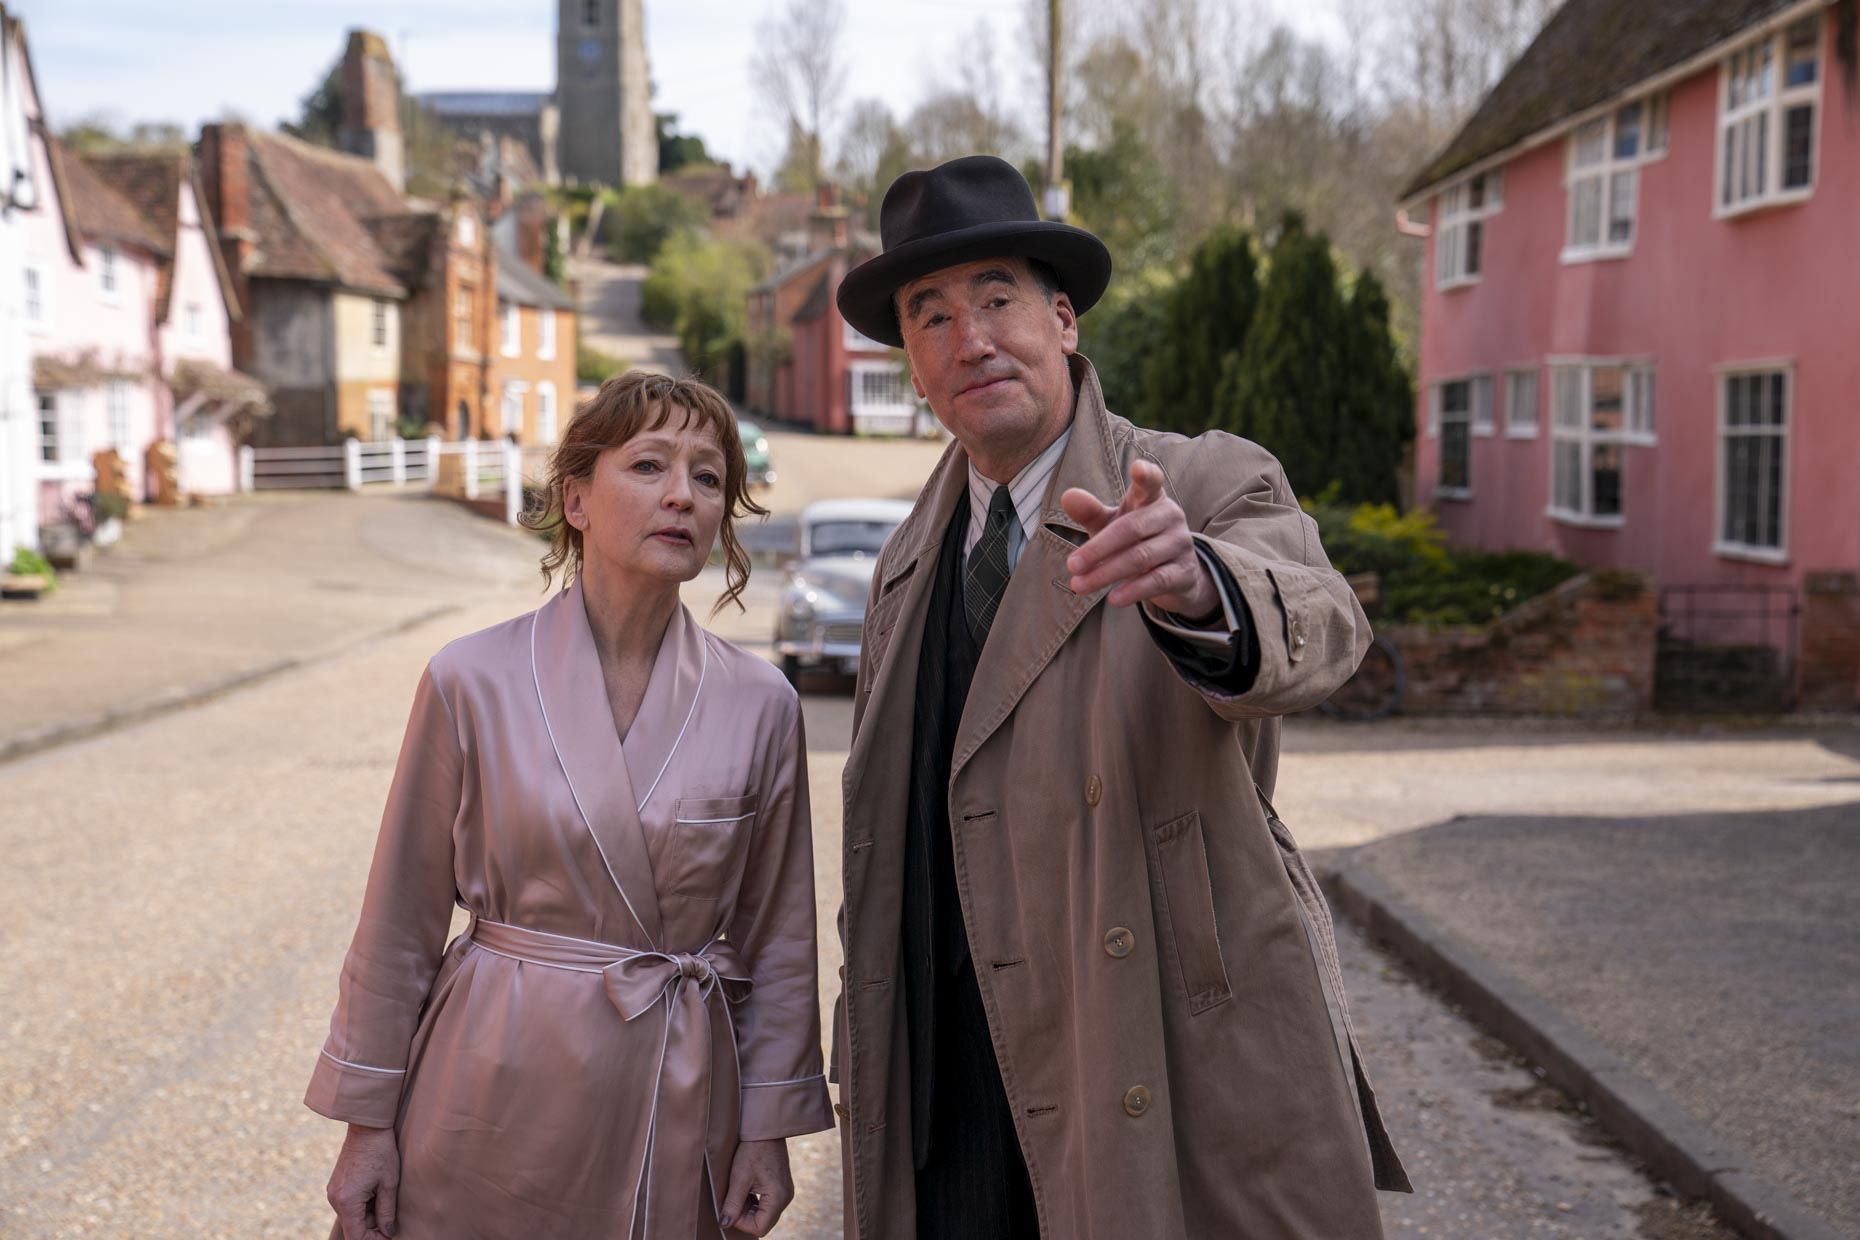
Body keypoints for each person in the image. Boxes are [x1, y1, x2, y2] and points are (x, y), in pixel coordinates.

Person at [827, 155, 1411, 1239]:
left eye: (997, 299)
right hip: (949, 1072)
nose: (971, 338)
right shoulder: (906, 560)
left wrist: (1200, 585)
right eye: (931, 316)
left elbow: (1326, 627)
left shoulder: (1198, 482)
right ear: (911, 362)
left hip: (1141, 1048)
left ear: (1062, 320)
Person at [307, 371, 833, 1240]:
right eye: (650, 465)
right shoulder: (469, 679)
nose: (682, 496)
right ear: (576, 498)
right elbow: (399, 921)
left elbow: (779, 941)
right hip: (488, 1085)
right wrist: (368, 1125)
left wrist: (767, 1129)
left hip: (676, 1092)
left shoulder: (761, 702)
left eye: (708, 478)